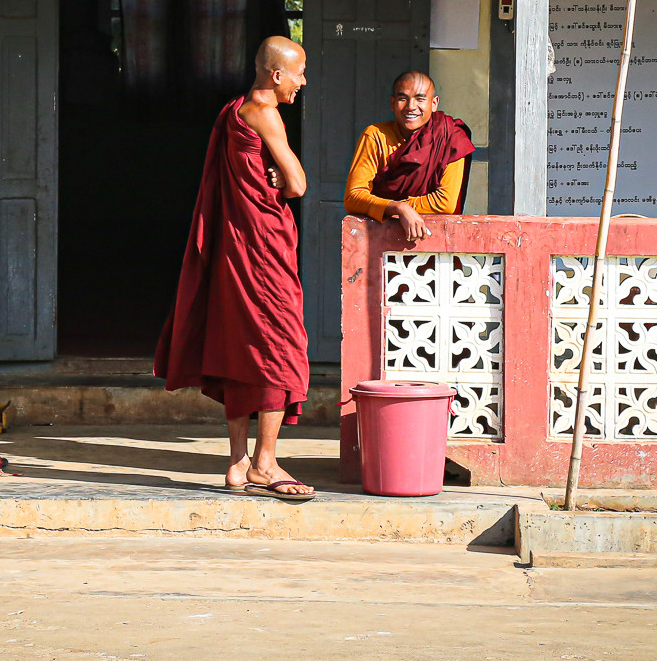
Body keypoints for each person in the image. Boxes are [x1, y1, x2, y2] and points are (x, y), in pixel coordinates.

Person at [154, 36, 316, 503]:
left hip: (236, 245)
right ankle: (266, 465)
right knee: (279, 347)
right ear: (277, 74)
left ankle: (238, 462)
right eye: (299, 73)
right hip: (264, 249)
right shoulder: (266, 113)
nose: (302, 82)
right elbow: (300, 183)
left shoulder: (233, 109)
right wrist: (283, 179)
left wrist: (274, 177)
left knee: (239, 345)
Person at [344, 71, 475, 241]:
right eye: (403, 99)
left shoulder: (449, 136)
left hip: (434, 239)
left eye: (420, 99)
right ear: (392, 103)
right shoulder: (376, 136)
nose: (411, 106)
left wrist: (401, 206)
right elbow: (353, 197)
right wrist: (398, 208)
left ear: (434, 103)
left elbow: (445, 202)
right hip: (382, 239)